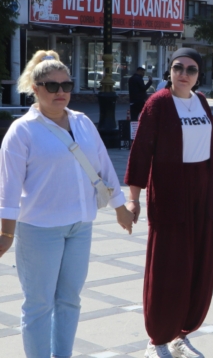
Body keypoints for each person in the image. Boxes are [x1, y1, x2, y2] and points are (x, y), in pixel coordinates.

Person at [0, 50, 131, 358]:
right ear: (36, 89)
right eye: (52, 86)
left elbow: (103, 166)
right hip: (39, 228)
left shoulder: (83, 122)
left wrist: (120, 206)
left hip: (80, 224)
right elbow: (8, 187)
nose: (60, 92)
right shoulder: (22, 130)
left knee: (70, 300)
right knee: (39, 304)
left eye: (66, 85)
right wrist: (6, 233)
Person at [125, 48, 213, 358]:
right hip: (171, 196)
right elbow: (140, 153)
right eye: (178, 67)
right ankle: (157, 340)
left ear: (199, 75)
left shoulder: (201, 101)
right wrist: (133, 199)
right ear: (170, 71)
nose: (184, 74)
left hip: (204, 196)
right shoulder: (158, 104)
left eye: (191, 69)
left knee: (199, 266)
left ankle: (181, 334)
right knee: (168, 269)